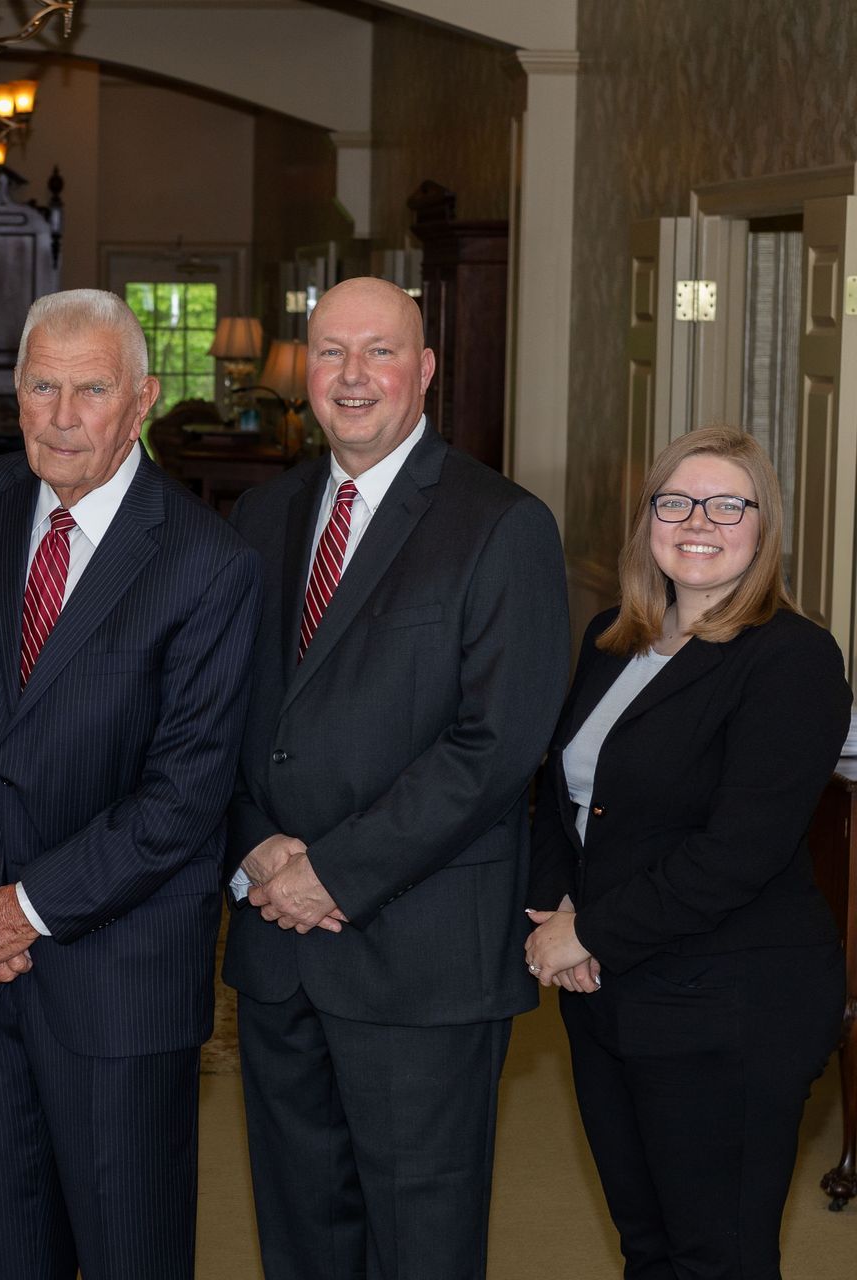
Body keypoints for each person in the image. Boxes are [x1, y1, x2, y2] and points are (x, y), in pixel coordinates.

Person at [0, 288, 262, 1278]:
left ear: (141, 398)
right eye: (42, 386)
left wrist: (27, 905)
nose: (63, 415)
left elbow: (185, 793)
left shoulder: (207, 561)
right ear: (14, 394)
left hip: (118, 976)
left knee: (126, 1250)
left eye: (91, 388)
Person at [223, 276, 570, 1280]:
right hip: (277, 948)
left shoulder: (501, 524)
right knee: (300, 1236)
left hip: (417, 955)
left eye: (380, 351)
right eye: (331, 351)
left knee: (420, 1244)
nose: (353, 374)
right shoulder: (263, 512)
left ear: (424, 372)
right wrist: (254, 841)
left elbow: (496, 746)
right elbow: (226, 712)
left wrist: (332, 868)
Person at [525, 426, 849, 1279]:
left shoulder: (794, 659)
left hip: (732, 1004)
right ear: (649, 522)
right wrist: (560, 911)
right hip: (611, 993)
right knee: (649, 1248)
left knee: (718, 1258)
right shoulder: (613, 637)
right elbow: (561, 797)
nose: (697, 521)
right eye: (676, 501)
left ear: (762, 526)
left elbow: (739, 851)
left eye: (726, 505)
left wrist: (589, 932)